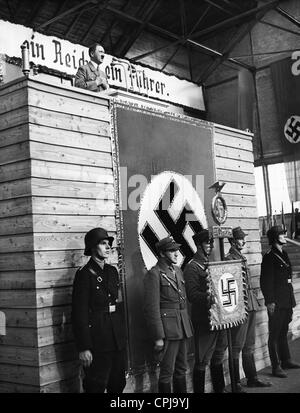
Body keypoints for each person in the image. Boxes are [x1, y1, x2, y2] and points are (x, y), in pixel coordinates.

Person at [71, 227, 127, 393]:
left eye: (108, 243)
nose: (108, 246)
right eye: (103, 243)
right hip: (97, 340)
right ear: (93, 247)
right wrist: (84, 347)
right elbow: (78, 313)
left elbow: (118, 304)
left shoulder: (112, 271)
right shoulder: (84, 275)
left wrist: (122, 337)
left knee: (117, 384)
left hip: (116, 338)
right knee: (95, 386)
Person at [143, 236, 193, 393]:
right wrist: (158, 336)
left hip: (182, 326)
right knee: (166, 372)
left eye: (176, 250)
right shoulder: (155, 274)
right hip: (168, 330)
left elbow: (183, 301)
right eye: (172, 251)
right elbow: (151, 308)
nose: (177, 253)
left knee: (181, 368)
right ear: (162, 253)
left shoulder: (177, 271)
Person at [225, 227, 271, 391]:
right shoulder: (229, 259)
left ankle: (252, 378)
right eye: (239, 239)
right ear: (231, 241)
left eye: (243, 238)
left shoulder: (240, 257)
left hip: (250, 305)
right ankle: (236, 383)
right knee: (236, 346)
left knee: (249, 345)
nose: (243, 241)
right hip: (240, 308)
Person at [184, 229, 228, 393]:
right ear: (198, 245)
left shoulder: (211, 264)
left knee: (218, 356)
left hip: (219, 318)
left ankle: (220, 389)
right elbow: (192, 294)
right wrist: (208, 297)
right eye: (206, 243)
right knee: (202, 359)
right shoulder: (192, 268)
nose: (210, 245)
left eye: (211, 242)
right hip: (204, 319)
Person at [260, 225, 300, 378]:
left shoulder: (284, 253)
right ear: (275, 237)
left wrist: (291, 300)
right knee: (274, 335)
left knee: (283, 331)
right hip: (276, 302)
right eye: (282, 234)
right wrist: (270, 302)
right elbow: (266, 282)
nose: (285, 236)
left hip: (286, 300)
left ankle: (286, 360)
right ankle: (276, 366)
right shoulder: (269, 257)